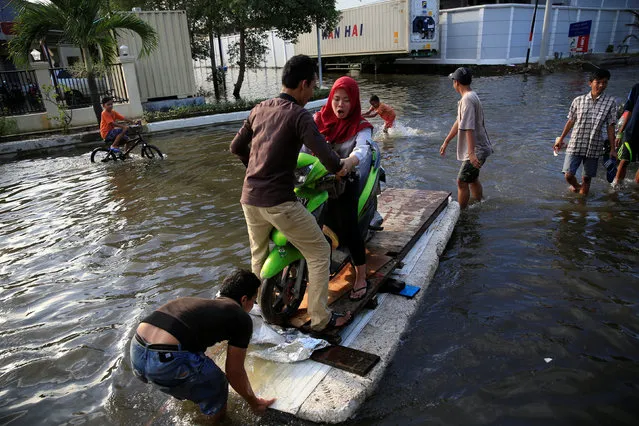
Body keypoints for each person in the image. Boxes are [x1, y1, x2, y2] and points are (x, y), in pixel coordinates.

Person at [229, 54, 352, 332]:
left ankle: (256, 309)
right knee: (319, 250)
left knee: (258, 254)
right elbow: (328, 159)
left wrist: (255, 169)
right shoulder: (299, 115)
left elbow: (235, 147)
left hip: (249, 197)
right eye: (312, 86)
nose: (312, 93)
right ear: (304, 84)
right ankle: (322, 319)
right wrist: (342, 168)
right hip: (279, 202)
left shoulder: (259, 108)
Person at [130, 269, 275, 423]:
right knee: (218, 384)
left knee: (199, 373)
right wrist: (254, 402)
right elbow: (234, 372)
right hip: (168, 359)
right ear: (244, 299)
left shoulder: (202, 305)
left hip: (137, 349)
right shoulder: (240, 317)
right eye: (254, 300)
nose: (253, 306)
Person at [313, 76, 373, 301]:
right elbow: (300, 142)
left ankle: (361, 276)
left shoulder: (361, 126)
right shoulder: (317, 118)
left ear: (354, 102)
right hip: (316, 180)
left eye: (346, 100)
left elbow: (363, 149)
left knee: (349, 228)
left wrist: (349, 162)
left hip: (346, 180)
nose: (340, 105)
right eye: (336, 99)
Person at [554, 68, 617, 195]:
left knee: (587, 178)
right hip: (576, 143)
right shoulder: (578, 100)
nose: (601, 85)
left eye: (604, 82)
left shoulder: (611, 103)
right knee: (568, 175)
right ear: (590, 83)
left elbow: (610, 126)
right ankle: (577, 186)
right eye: (598, 82)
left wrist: (612, 148)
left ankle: (581, 207)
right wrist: (561, 139)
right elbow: (571, 121)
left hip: (594, 145)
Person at [440, 67, 493, 209]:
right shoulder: (471, 96)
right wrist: (446, 141)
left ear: (456, 82)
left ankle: (460, 213)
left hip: (477, 150)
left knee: (461, 182)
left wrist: (471, 153)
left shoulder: (467, 100)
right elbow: (460, 121)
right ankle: (480, 202)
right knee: (472, 178)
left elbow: (469, 127)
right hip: (480, 148)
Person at [613, 83, 639, 184]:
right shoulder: (636, 88)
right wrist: (620, 132)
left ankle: (635, 191)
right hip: (632, 131)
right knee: (624, 160)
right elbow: (628, 111)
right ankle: (616, 186)